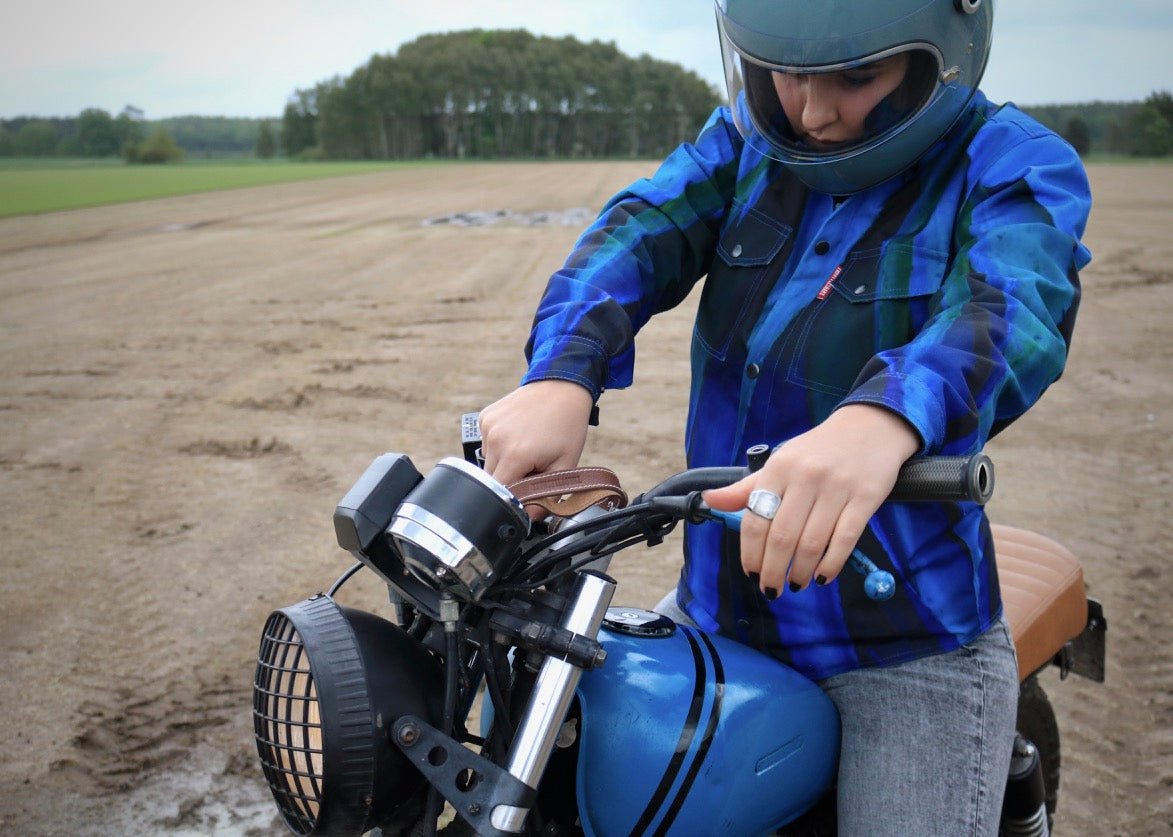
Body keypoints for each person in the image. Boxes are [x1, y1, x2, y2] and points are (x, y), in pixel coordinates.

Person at [478, 1, 1091, 833]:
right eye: (786, 71)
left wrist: (880, 418)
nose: (810, 110)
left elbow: (1014, 306)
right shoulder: (743, 141)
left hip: (904, 645)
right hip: (715, 602)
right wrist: (561, 372)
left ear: (943, 49)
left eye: (853, 76)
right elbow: (639, 229)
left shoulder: (1010, 162)